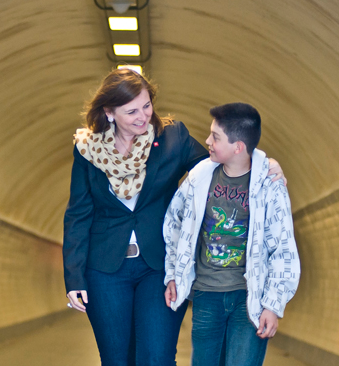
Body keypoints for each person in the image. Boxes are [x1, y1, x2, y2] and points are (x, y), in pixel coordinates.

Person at [63, 68, 286, 366]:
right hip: (104, 269)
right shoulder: (87, 151)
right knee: (116, 359)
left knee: (156, 356)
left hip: (158, 266)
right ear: (109, 112)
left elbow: (219, 162)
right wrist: (74, 276)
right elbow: (78, 213)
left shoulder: (172, 138)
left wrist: (264, 161)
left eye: (146, 105)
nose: (143, 116)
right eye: (131, 111)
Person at [164, 102, 301, 366]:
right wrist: (173, 273)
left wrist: (273, 305)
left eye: (215, 137)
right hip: (206, 295)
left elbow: (283, 248)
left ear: (238, 147)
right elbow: (174, 223)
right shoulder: (199, 177)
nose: (207, 141)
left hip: (248, 298)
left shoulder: (270, 187)